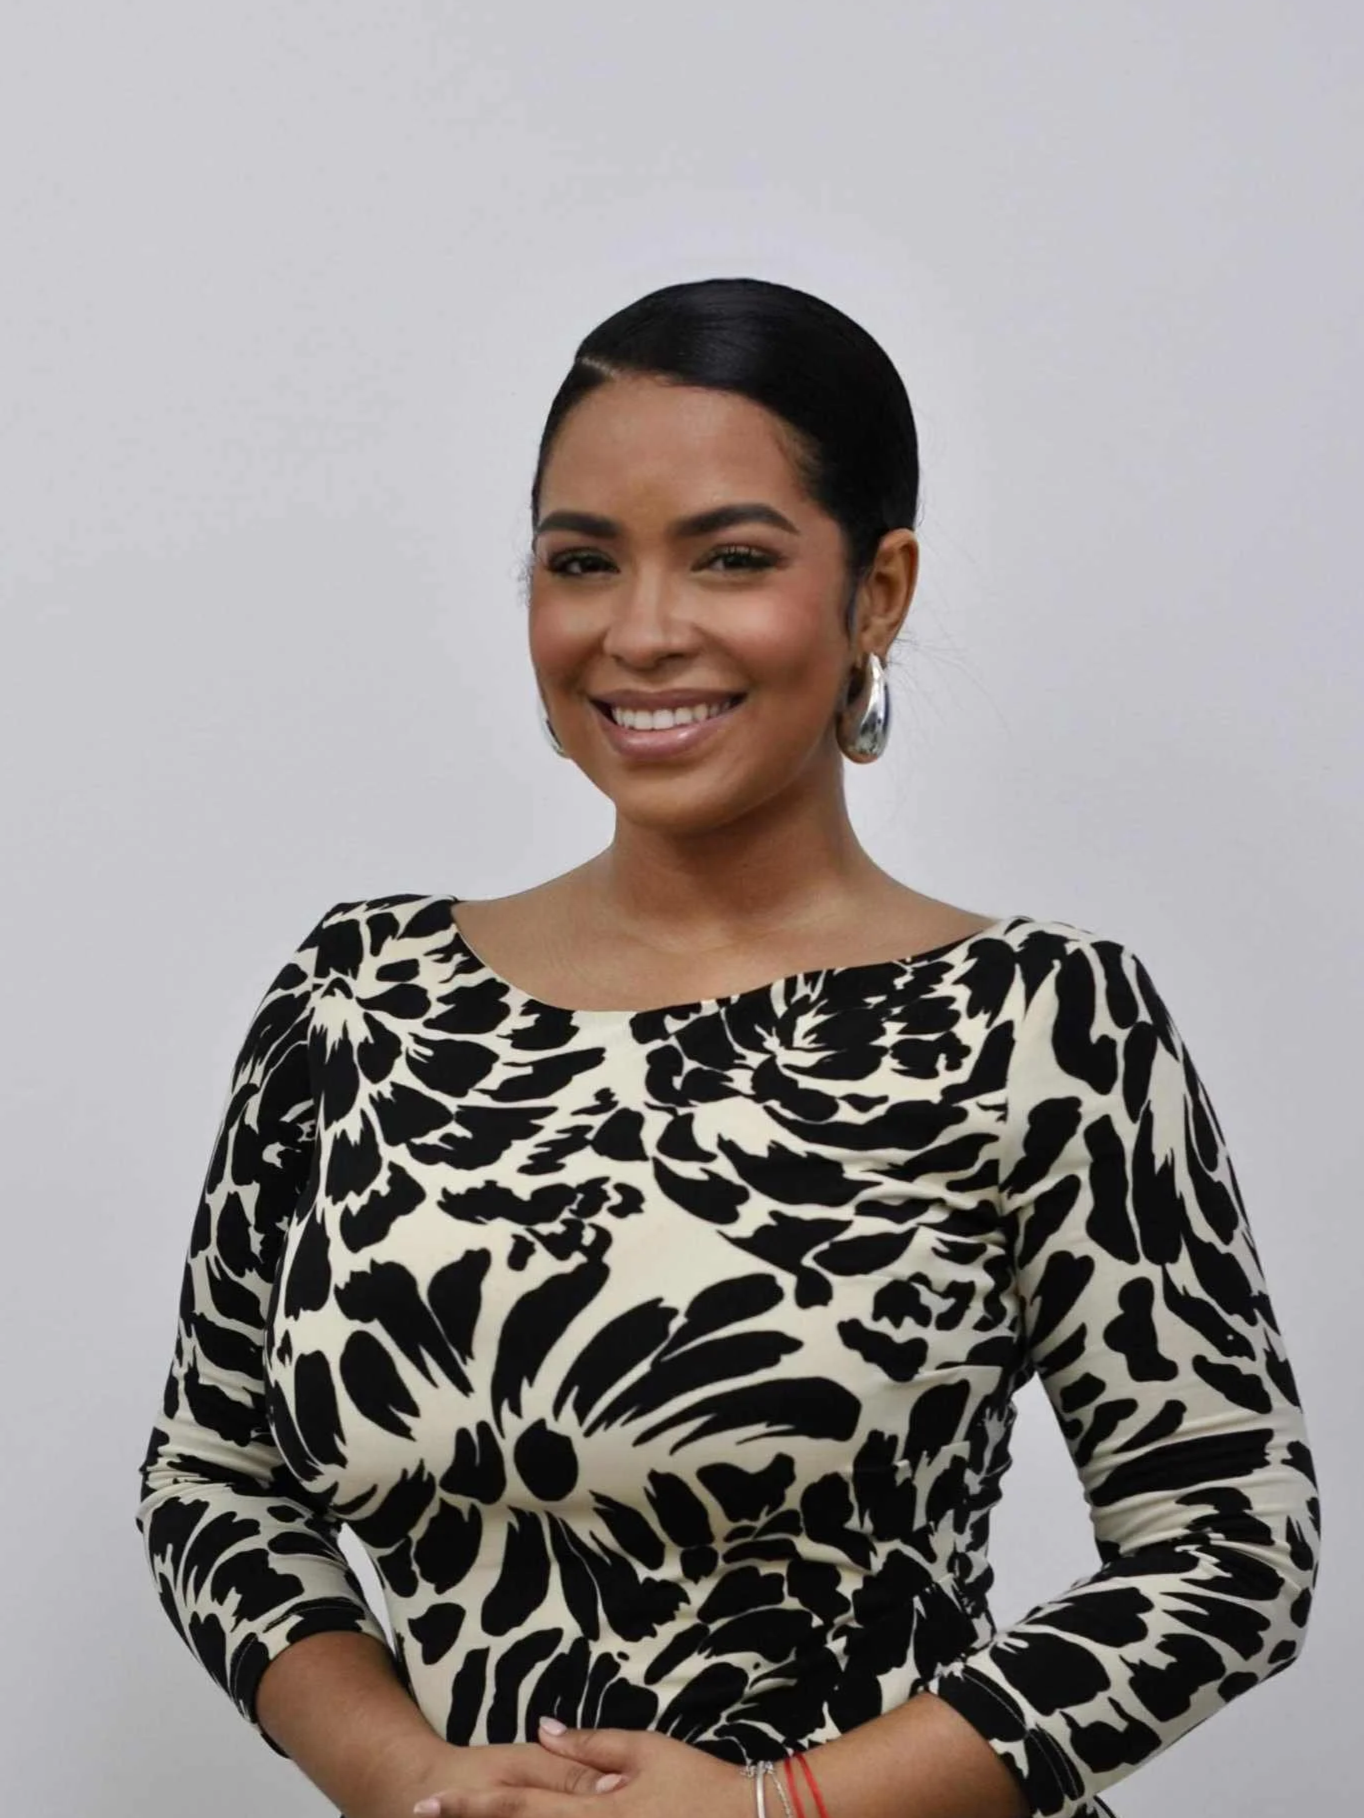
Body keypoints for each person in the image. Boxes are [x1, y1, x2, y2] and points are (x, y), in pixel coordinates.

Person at [135, 276, 1320, 1818]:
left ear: (876, 592)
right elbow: (212, 1478)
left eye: (733, 558)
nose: (641, 632)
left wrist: (785, 1806)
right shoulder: (357, 994)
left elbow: (1229, 1546)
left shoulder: (1041, 1020)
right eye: (581, 561)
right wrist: (407, 1774)